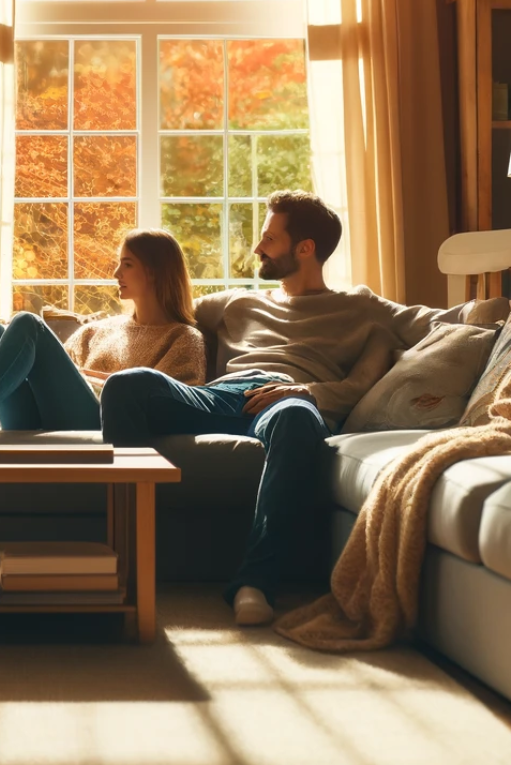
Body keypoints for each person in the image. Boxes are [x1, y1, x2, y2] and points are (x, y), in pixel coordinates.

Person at [100, 191, 475, 627]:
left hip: (290, 400)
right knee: (129, 386)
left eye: (269, 239)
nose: (258, 248)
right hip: (223, 395)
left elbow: (445, 320)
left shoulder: (361, 306)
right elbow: (157, 307)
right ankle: (122, 560)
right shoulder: (237, 303)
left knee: (296, 417)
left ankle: (255, 581)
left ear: (305, 248)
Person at [0, 230, 205, 456]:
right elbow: (51, 374)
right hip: (40, 416)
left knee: (28, 323)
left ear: (154, 273)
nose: (116, 274)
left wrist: (105, 383)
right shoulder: (98, 331)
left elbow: (174, 406)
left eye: (126, 265)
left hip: (101, 423)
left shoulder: (182, 338)